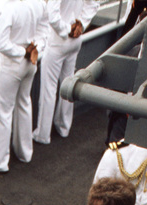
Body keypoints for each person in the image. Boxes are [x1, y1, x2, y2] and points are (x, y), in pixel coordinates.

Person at [0, 0, 48, 174]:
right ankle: (24, 151)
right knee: (24, 103)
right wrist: (35, 46)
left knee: (4, 112)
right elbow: (44, 30)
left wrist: (22, 52)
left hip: (12, 64)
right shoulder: (38, 4)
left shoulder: (10, 8)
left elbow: (0, 43)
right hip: (31, 62)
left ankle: (1, 161)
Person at [32, 0, 99, 146]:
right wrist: (81, 24)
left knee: (48, 89)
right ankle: (64, 126)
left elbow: (53, 14)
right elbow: (93, 4)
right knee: (68, 82)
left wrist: (67, 29)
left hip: (59, 41)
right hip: (75, 40)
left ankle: (43, 134)